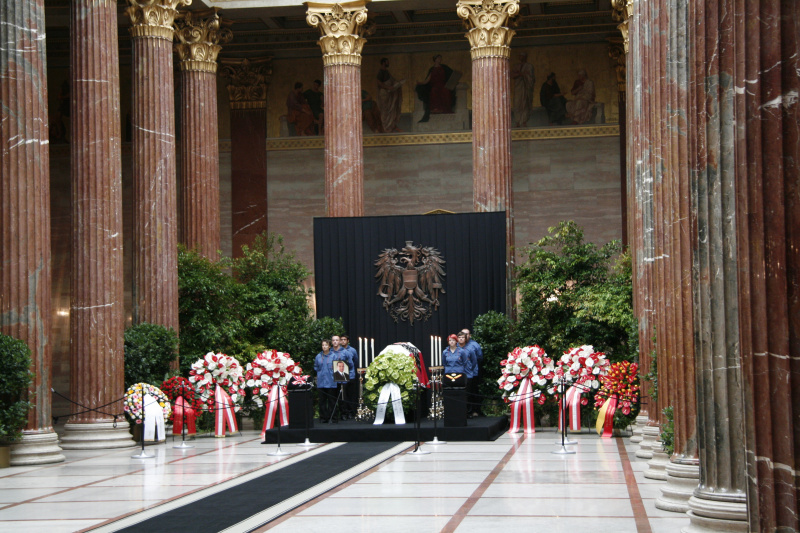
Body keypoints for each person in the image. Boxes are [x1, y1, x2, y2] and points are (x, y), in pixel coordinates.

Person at [415, 54, 455, 122]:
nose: (440, 59)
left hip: (443, 86)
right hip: (435, 86)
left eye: (440, 58)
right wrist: (420, 83)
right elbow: (427, 80)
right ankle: (435, 109)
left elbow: (451, 74)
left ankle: (445, 108)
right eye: (438, 58)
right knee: (434, 91)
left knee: (445, 91)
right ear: (435, 59)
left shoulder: (444, 67)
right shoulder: (432, 69)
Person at [377, 57, 404, 133]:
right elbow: (379, 83)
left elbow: (392, 81)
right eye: (387, 62)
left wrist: (398, 83)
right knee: (385, 110)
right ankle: (386, 127)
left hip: (390, 94)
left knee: (392, 110)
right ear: (383, 63)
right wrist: (388, 87)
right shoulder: (381, 72)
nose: (388, 63)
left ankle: (392, 126)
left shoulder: (387, 72)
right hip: (384, 94)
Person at [462, 328, 484, 418]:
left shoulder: (474, 345)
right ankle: (465, 411)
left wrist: (471, 365)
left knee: (473, 391)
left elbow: (480, 357)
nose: (465, 336)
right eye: (463, 334)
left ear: (470, 335)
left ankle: (475, 410)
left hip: (473, 373)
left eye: (467, 334)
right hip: (461, 373)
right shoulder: (458, 345)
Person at [510, 51, 535, 128]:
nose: (520, 57)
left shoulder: (529, 66)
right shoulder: (516, 66)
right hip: (518, 87)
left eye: (522, 56)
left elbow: (530, 77)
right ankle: (517, 121)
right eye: (519, 56)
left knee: (525, 104)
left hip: (526, 87)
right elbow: (512, 75)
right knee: (517, 103)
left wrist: (522, 74)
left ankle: (524, 121)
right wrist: (521, 74)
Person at [313, 339, 336, 422]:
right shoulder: (318, 356)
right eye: (323, 345)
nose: (324, 347)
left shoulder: (333, 356)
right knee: (322, 401)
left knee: (331, 400)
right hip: (321, 382)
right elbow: (315, 366)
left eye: (326, 345)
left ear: (329, 346)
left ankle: (332, 417)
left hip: (331, 382)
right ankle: (323, 417)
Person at [458, 332, 478, 417]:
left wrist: (470, 369)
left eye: (463, 337)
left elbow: (474, 361)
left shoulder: (470, 349)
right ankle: (459, 412)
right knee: (459, 393)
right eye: (459, 337)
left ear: (465, 339)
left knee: (468, 394)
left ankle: (468, 412)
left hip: (468, 374)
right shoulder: (455, 348)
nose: (461, 339)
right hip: (458, 374)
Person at [340, 335, 358, 419]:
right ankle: (344, 412)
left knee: (350, 394)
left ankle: (351, 412)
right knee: (343, 395)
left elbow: (355, 361)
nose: (343, 341)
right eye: (341, 340)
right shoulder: (338, 350)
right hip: (341, 376)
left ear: (348, 341)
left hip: (351, 375)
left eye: (344, 339)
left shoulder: (352, 350)